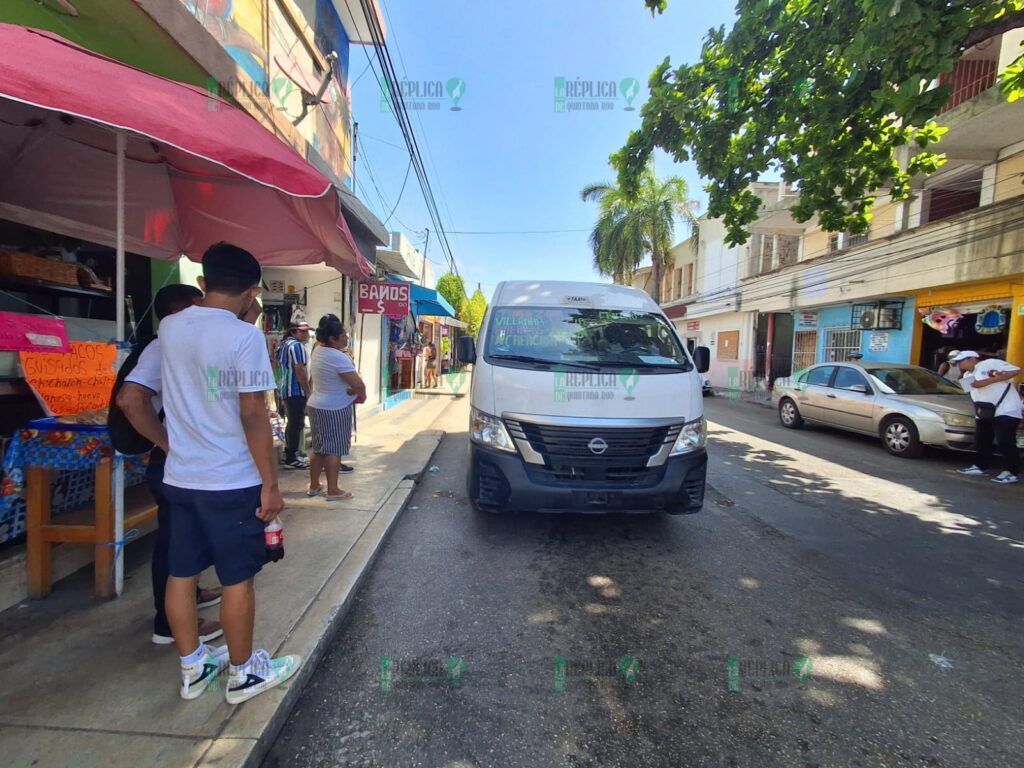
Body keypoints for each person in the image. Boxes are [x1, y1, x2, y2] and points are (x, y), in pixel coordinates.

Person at [158, 242, 300, 704]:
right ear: (252, 291)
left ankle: (193, 667)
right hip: (231, 480)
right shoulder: (244, 337)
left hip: (181, 476)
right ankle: (243, 675)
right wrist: (271, 483)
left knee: (180, 574)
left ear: (203, 282)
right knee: (238, 577)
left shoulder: (170, 326)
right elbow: (254, 412)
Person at [115, 284, 223, 646]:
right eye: (202, 305)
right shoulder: (165, 345)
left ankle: (187, 599)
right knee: (177, 543)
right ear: (187, 311)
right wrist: (166, 443)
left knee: (185, 539)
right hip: (176, 460)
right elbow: (131, 400)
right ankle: (169, 624)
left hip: (185, 458)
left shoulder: (179, 342)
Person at [306, 315, 366, 501]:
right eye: (343, 336)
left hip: (317, 404)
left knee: (319, 448)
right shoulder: (337, 357)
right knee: (334, 449)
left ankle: (314, 486)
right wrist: (357, 393)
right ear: (332, 338)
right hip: (335, 408)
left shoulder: (318, 350)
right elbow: (358, 384)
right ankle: (333, 490)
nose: (346, 338)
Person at [953, 350, 1021, 484]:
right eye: (957, 362)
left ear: (972, 359)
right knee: (982, 439)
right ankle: (981, 465)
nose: (958, 364)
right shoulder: (967, 375)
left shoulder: (990, 363)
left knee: (1005, 441)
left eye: (961, 361)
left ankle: (1011, 472)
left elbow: (1016, 370)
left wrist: (988, 381)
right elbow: (971, 390)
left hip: (1006, 409)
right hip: (984, 411)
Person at [276, 320, 311, 469]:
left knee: (292, 423)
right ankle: (292, 456)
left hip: (286, 389)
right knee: (297, 423)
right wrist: (308, 392)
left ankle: (290, 452)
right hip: (296, 390)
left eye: (307, 331)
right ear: (293, 331)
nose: (306, 334)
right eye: (302, 331)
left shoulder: (283, 345)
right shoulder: (296, 346)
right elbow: (300, 370)